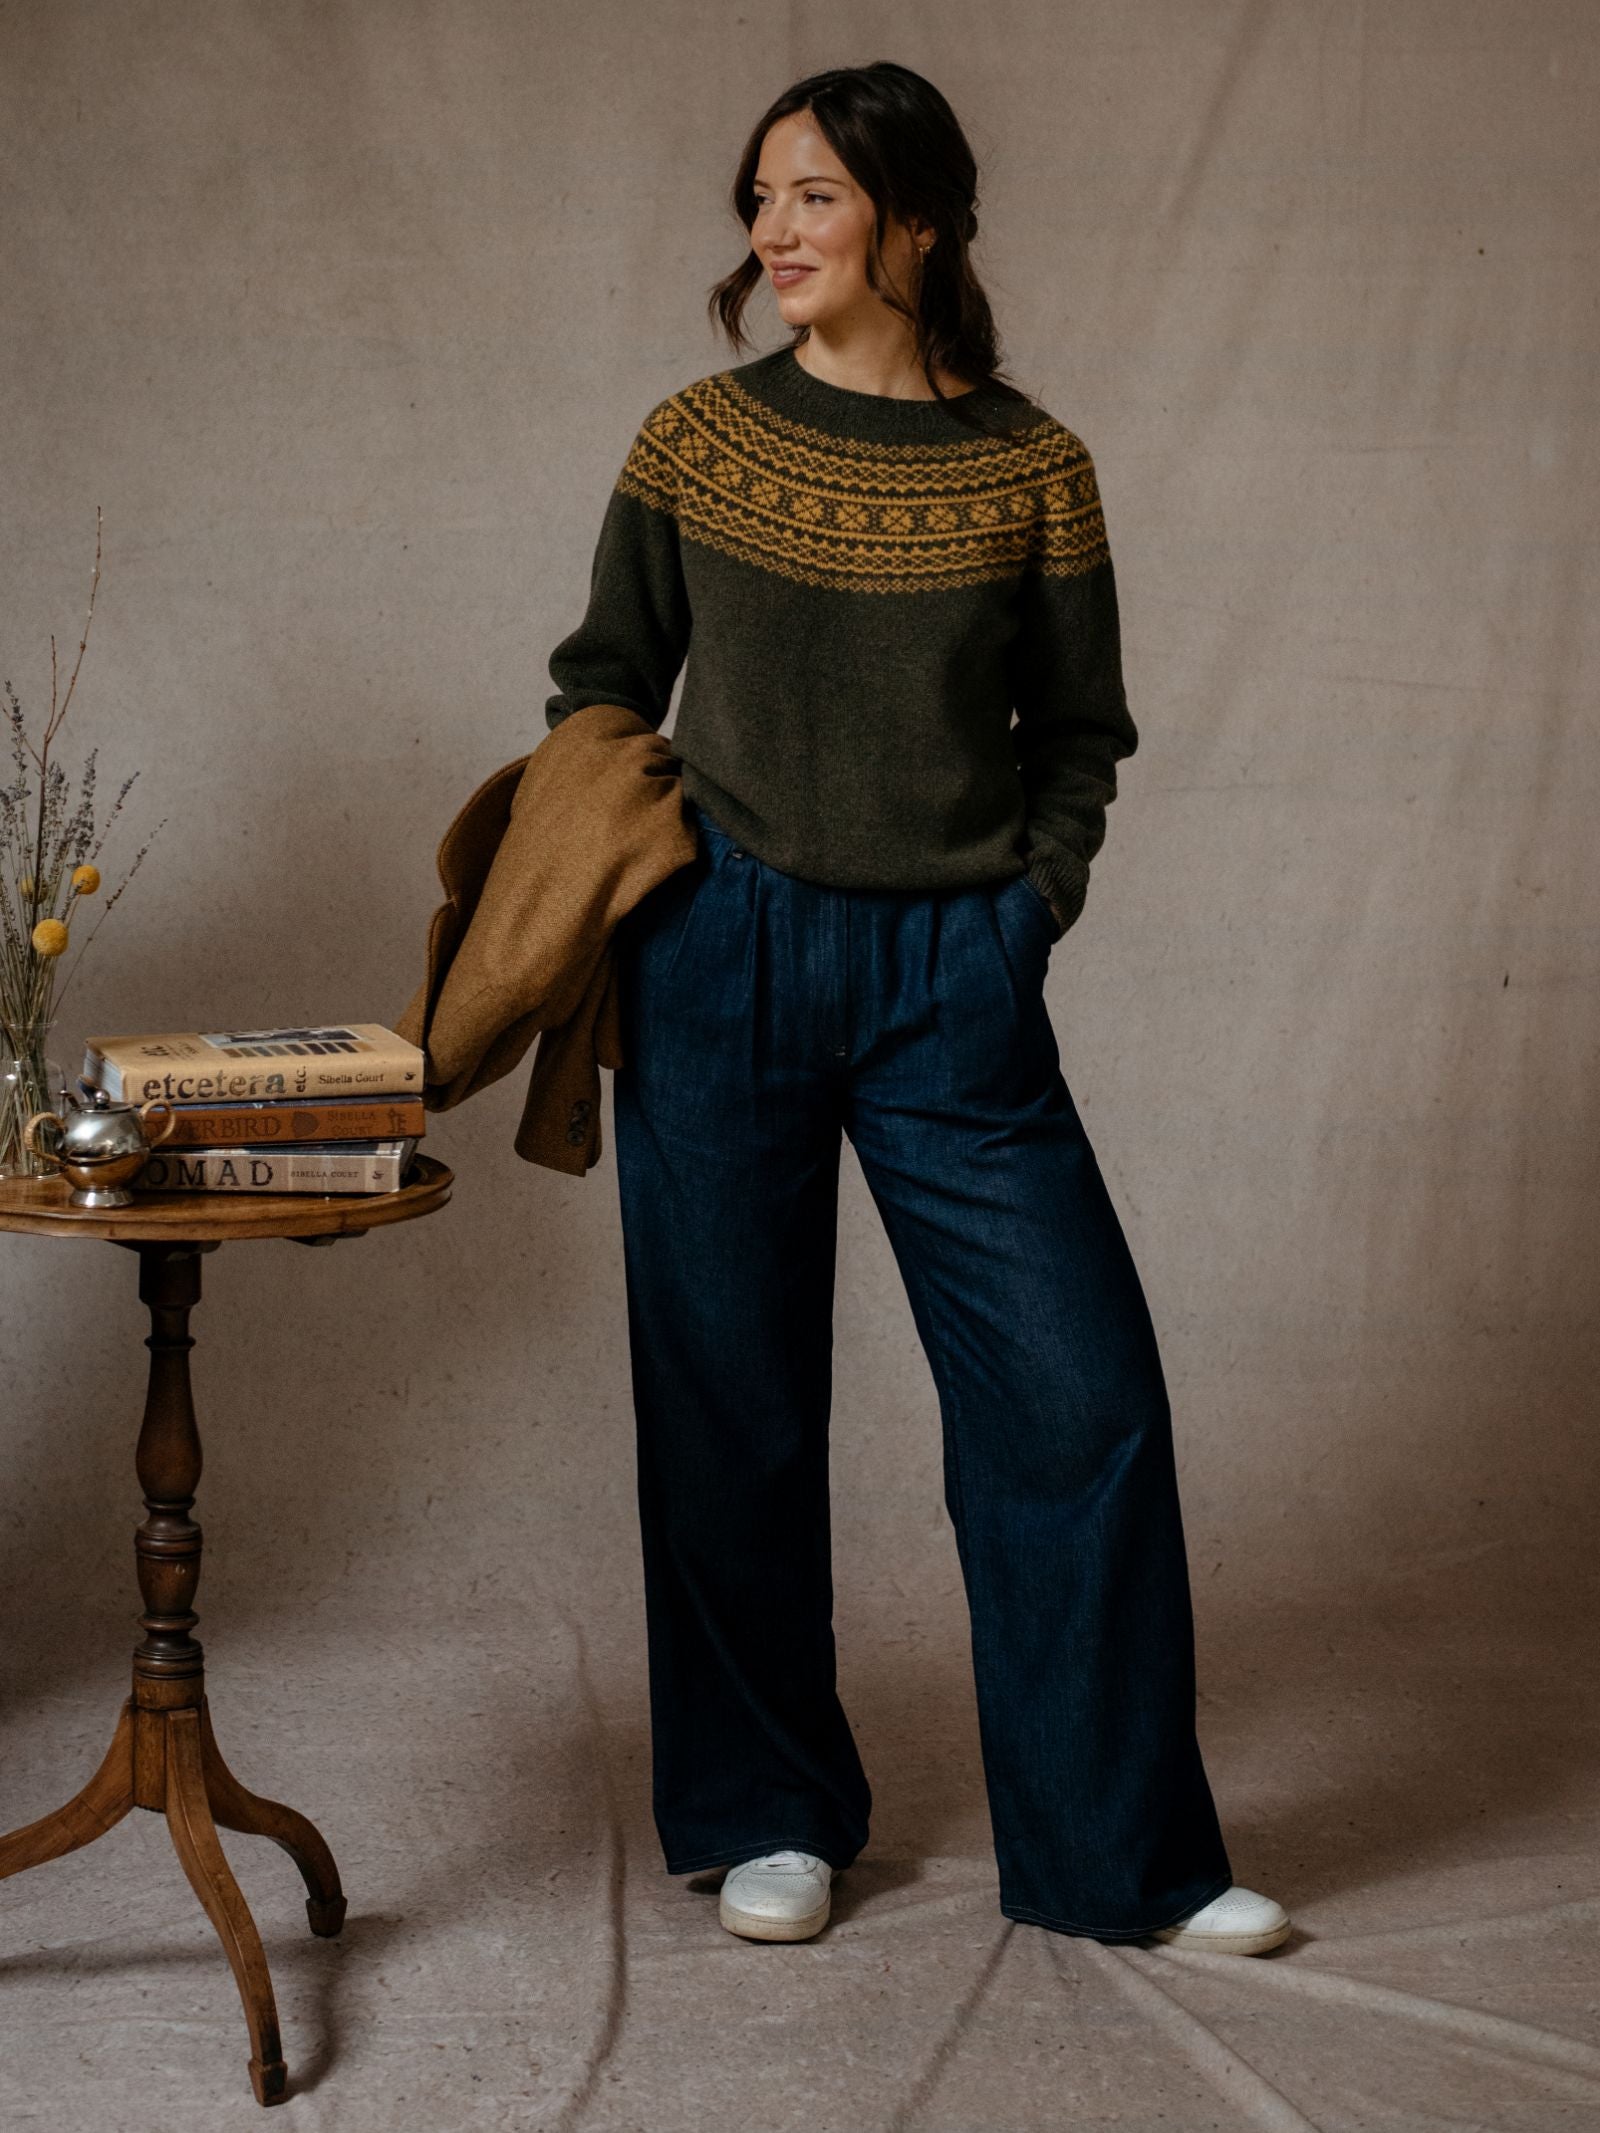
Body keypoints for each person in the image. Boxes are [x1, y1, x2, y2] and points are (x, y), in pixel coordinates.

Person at [544, 61, 1290, 1959]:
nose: (772, 232)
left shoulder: (1033, 464)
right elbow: (603, 683)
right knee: (730, 1404)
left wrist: (1024, 909)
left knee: (1079, 1395)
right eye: (762, 199)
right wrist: (659, 894)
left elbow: (1085, 733)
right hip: (722, 957)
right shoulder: (697, 443)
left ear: (921, 221)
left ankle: (1125, 1853)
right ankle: (767, 1809)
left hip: (954, 978)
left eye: (812, 197)